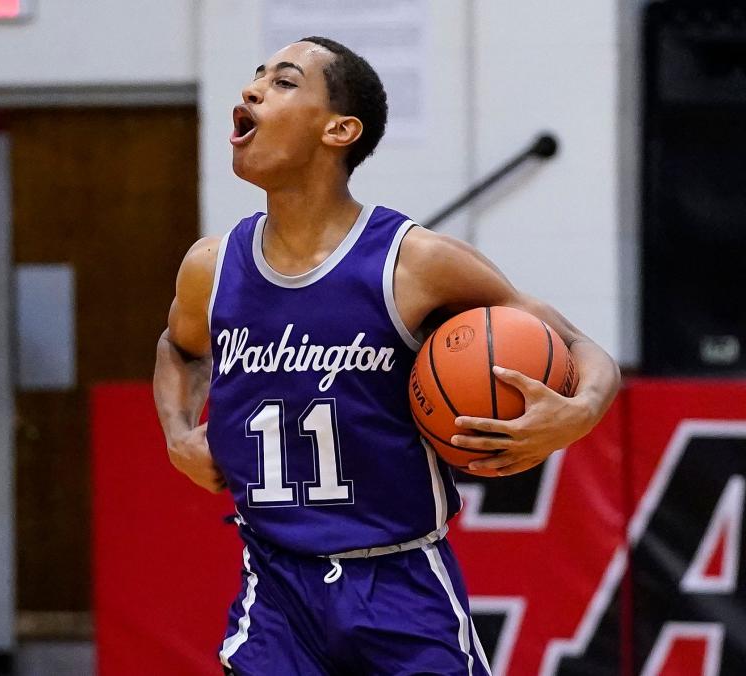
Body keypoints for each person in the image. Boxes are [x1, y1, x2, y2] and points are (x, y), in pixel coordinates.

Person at [153, 36, 621, 675]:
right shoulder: (211, 266)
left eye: (283, 81)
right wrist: (179, 433)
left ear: (340, 129)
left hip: (399, 584)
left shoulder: (413, 263)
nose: (252, 89)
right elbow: (179, 351)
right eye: (255, 76)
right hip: (275, 588)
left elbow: (578, 345)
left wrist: (582, 409)